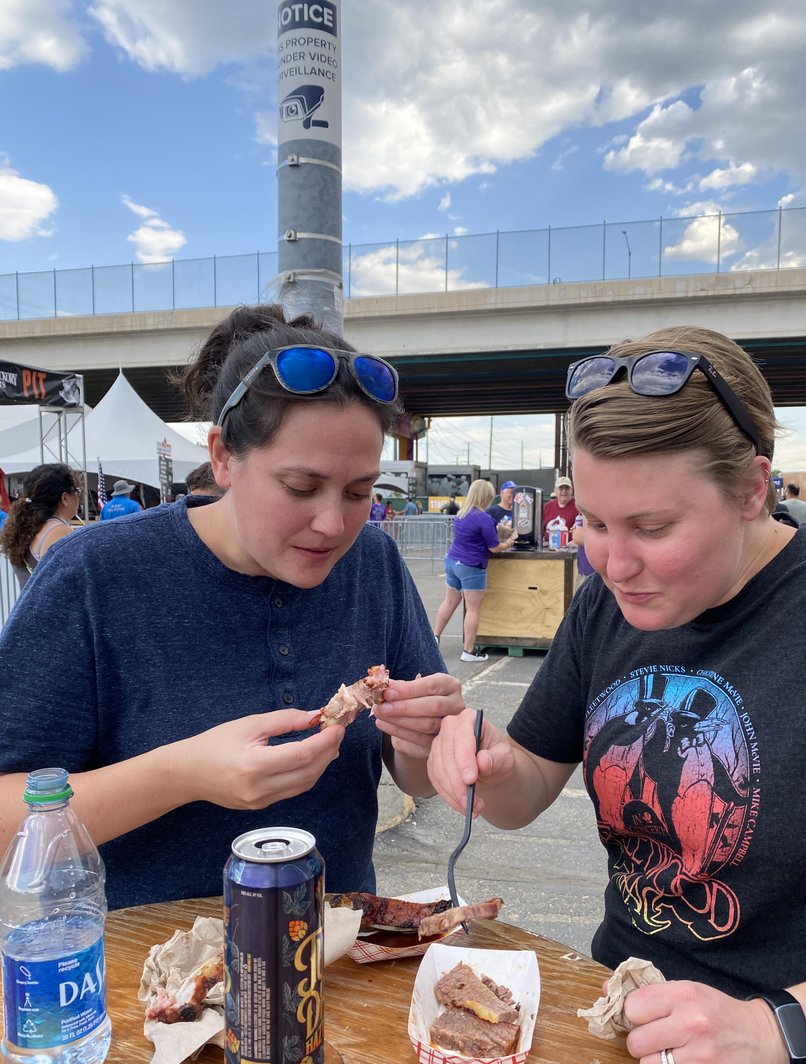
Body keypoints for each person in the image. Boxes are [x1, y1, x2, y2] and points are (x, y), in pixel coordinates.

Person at [426, 326, 806, 1064]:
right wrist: (487, 763)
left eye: (652, 526)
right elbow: (529, 780)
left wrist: (774, 1032)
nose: (613, 560)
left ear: (754, 488)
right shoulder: (609, 602)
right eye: (595, 523)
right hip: (626, 1047)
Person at [0, 303, 462, 911]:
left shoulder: (373, 563)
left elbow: (414, 779)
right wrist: (182, 774)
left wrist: (423, 740)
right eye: (300, 487)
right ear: (222, 457)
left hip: (339, 961)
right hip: (153, 978)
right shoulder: (94, 575)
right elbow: (11, 820)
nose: (333, 524)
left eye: (359, 492)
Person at [433, 479, 515, 662]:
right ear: (486, 496)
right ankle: (468, 651)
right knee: (473, 609)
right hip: (471, 566)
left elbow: (477, 532)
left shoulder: (461, 514)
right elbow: (494, 547)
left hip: (452, 561)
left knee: (449, 602)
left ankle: (434, 637)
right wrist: (508, 543)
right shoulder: (483, 518)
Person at [0, 463, 81, 589]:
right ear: (65, 498)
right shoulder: (59, 531)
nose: (78, 497)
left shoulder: (24, 527)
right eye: (77, 492)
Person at [542, 475, 577, 540]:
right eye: (561, 488)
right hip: (548, 547)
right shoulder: (547, 506)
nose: (564, 491)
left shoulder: (578, 507)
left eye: (567, 488)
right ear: (555, 490)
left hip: (569, 548)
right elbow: (540, 530)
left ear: (571, 490)